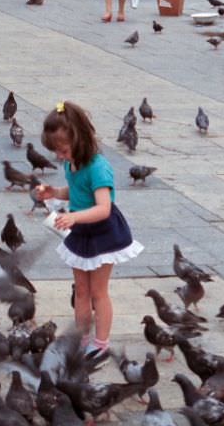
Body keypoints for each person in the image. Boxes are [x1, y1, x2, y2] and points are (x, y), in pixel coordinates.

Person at [35, 101, 142, 361]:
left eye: (62, 150)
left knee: (98, 292)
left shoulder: (97, 167)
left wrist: (73, 216)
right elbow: (76, 191)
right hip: (81, 231)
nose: (59, 156)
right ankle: (81, 337)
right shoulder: (72, 165)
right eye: (56, 152)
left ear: (80, 139)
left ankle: (100, 343)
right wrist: (56, 193)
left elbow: (104, 207)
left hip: (103, 233)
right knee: (80, 291)